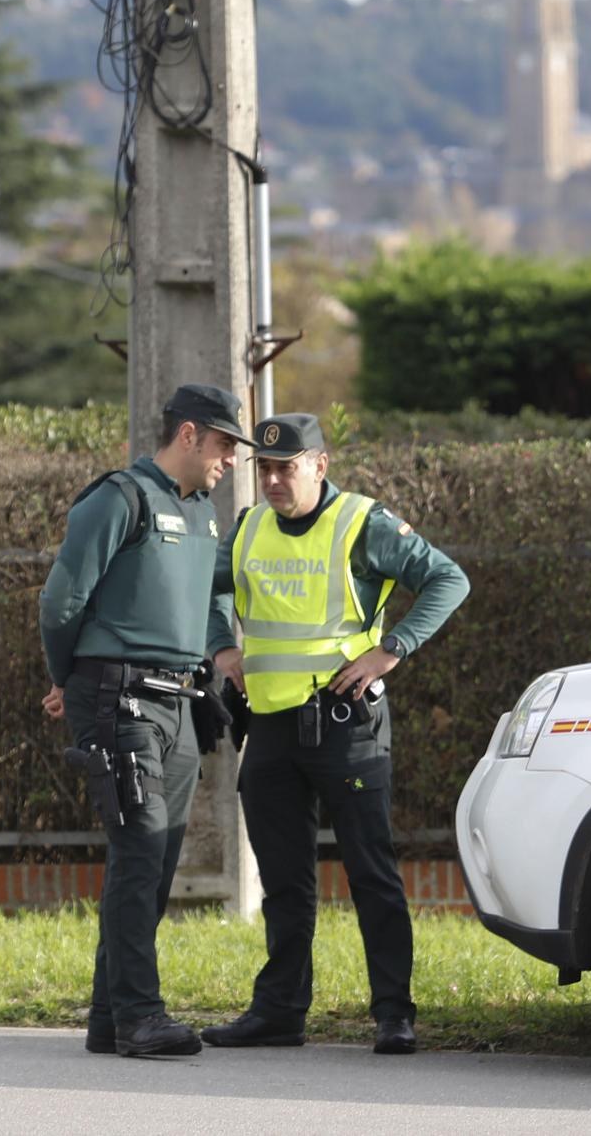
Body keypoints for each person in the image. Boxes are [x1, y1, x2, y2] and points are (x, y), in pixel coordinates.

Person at [201, 412, 471, 1056]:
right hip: (269, 729)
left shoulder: (362, 523)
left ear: (320, 465)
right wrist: (220, 648)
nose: (271, 481)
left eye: (284, 468)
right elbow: (207, 588)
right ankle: (279, 1012)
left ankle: (393, 1014)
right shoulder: (248, 528)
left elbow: (447, 579)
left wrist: (392, 649)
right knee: (285, 883)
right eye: (263, 469)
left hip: (347, 727)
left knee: (371, 873)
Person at [37, 384, 250, 1058]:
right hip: (117, 697)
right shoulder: (119, 498)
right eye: (223, 445)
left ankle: (109, 1015)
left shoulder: (203, 513)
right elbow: (60, 600)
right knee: (140, 847)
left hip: (180, 700)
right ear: (188, 435)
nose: (230, 461)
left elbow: (206, 595)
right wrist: (66, 676)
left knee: (153, 861)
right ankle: (140, 1014)